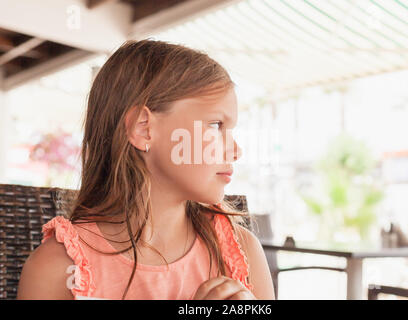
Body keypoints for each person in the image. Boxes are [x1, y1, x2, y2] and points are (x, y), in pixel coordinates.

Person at [16, 39, 275, 300]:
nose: (236, 150)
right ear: (143, 128)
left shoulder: (242, 253)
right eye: (215, 125)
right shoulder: (56, 269)